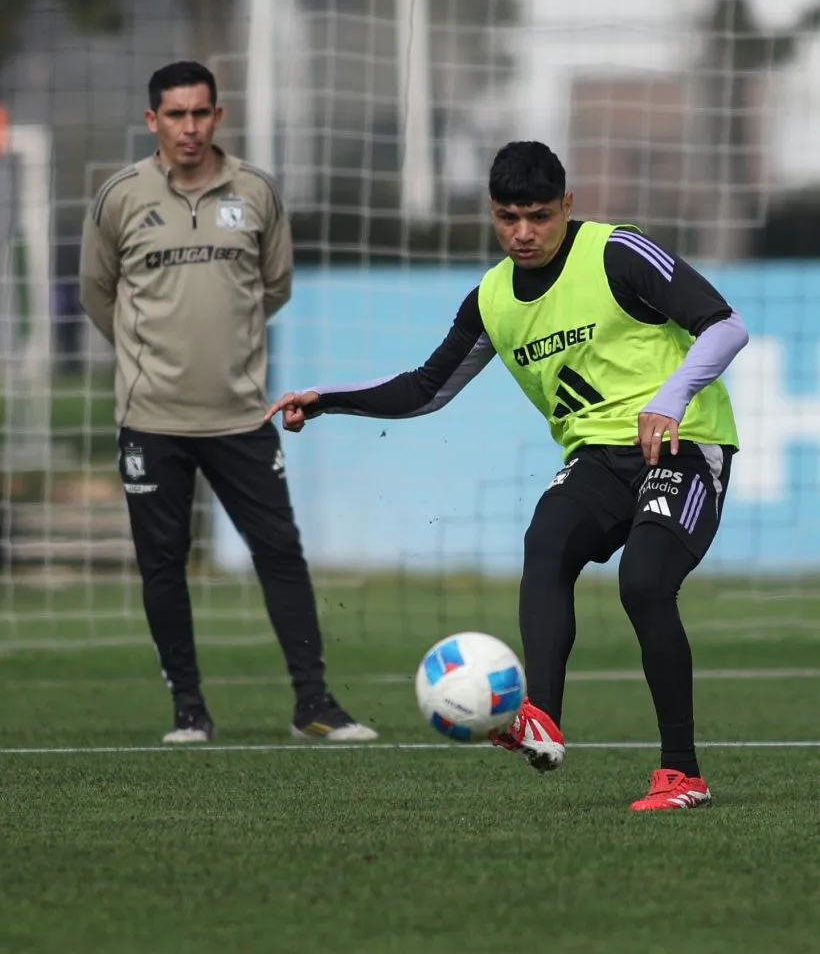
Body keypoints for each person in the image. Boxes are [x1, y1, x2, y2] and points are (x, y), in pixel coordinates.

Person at [265, 140, 749, 811]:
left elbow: (726, 326)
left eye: (539, 216)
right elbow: (427, 388)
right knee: (546, 539)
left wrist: (669, 400)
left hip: (684, 444)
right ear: (492, 213)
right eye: (508, 217)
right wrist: (328, 400)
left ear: (567, 206)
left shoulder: (616, 251)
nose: (523, 232)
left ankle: (681, 773)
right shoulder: (492, 298)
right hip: (598, 458)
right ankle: (540, 718)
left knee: (643, 583)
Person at [79, 60, 376, 744]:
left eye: (200, 113)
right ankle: (189, 711)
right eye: (175, 114)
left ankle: (314, 705)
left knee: (281, 554)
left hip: (241, 415)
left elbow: (275, 286)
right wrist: (147, 353)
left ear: (218, 115)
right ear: (152, 120)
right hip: (151, 419)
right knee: (163, 565)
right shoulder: (120, 196)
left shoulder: (256, 192)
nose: (189, 127)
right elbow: (98, 291)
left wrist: (226, 345)